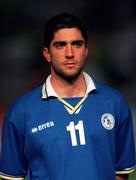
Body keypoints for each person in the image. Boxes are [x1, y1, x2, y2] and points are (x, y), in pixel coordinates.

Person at [0, 13, 135, 180]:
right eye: (60, 45)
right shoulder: (21, 111)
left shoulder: (115, 103)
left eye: (76, 44)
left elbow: (121, 173)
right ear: (47, 53)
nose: (69, 53)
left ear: (86, 51)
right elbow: (12, 176)